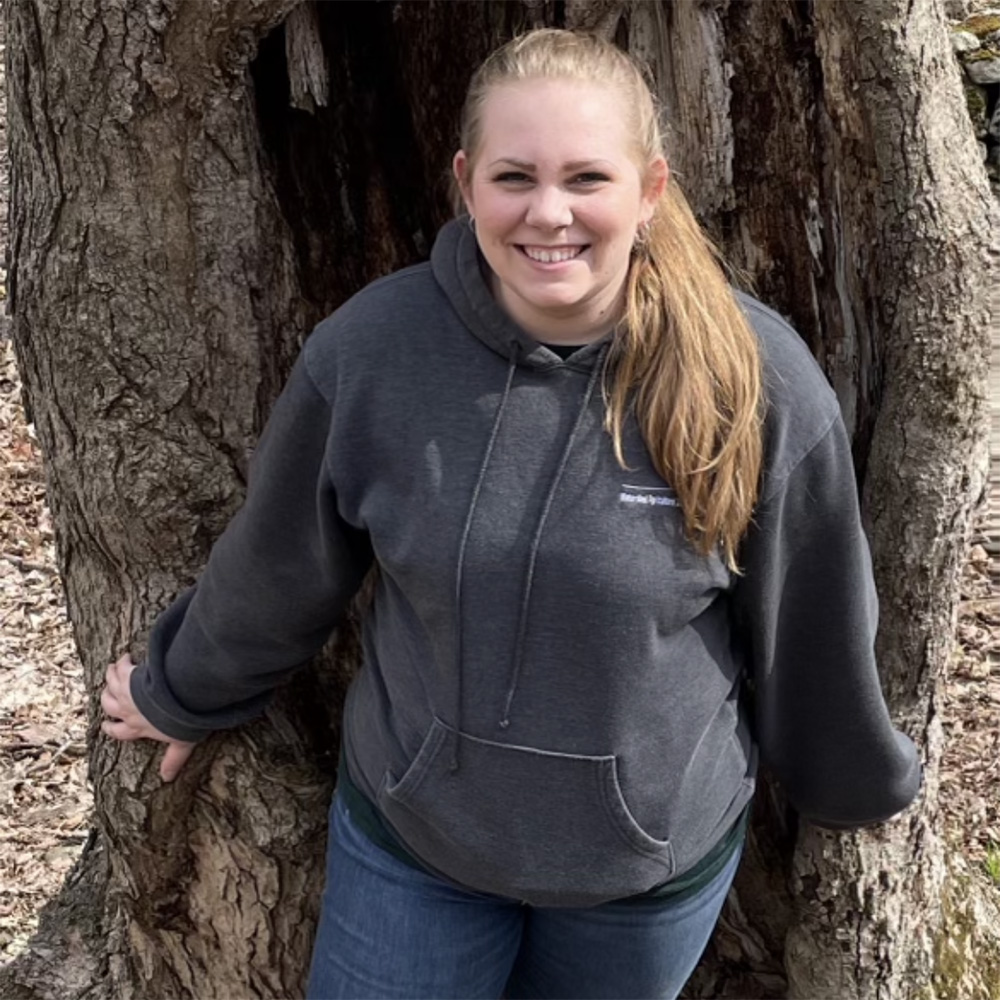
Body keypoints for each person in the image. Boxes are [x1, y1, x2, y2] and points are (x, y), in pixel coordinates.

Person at [100, 28, 921, 1000]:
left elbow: (812, 623)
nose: (548, 212)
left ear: (650, 189)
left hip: (638, 875)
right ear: (465, 182)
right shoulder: (374, 353)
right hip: (417, 845)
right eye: (514, 177)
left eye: (587, 178)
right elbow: (282, 563)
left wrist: (852, 789)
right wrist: (183, 689)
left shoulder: (756, 381)